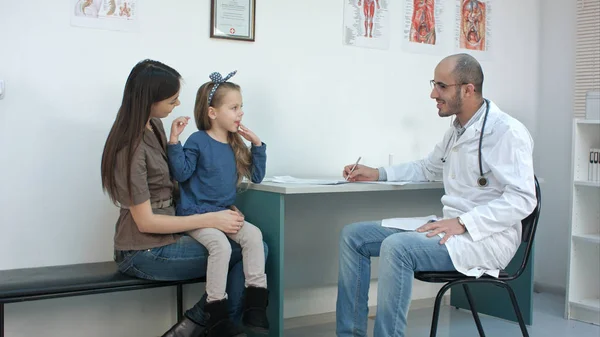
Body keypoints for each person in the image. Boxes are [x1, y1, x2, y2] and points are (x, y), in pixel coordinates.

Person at [335, 53, 537, 337]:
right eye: (434, 84)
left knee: (398, 247)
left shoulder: (507, 132)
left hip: (486, 238)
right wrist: (377, 172)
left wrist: (465, 222)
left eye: (441, 86)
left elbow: (523, 199)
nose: (433, 94)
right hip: (451, 227)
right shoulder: (456, 129)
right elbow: (428, 168)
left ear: (468, 89)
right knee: (353, 236)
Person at [100, 59, 267, 337]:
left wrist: (217, 205)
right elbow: (146, 223)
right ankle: (212, 324)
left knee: (253, 243)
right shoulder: (130, 148)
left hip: (170, 234)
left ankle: (205, 325)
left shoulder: (154, 125)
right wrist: (211, 217)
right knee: (242, 252)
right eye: (172, 99)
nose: (177, 104)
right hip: (143, 250)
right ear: (149, 100)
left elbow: (178, 181)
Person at [167, 70, 269, 336]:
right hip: (197, 214)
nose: (240, 113)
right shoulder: (198, 140)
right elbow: (181, 173)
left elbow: (257, 176)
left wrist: (257, 144)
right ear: (212, 113)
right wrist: (174, 142)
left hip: (225, 214)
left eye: (241, 107)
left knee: (255, 236)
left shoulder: (234, 142)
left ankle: (256, 305)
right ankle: (216, 311)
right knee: (220, 247)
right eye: (234, 107)